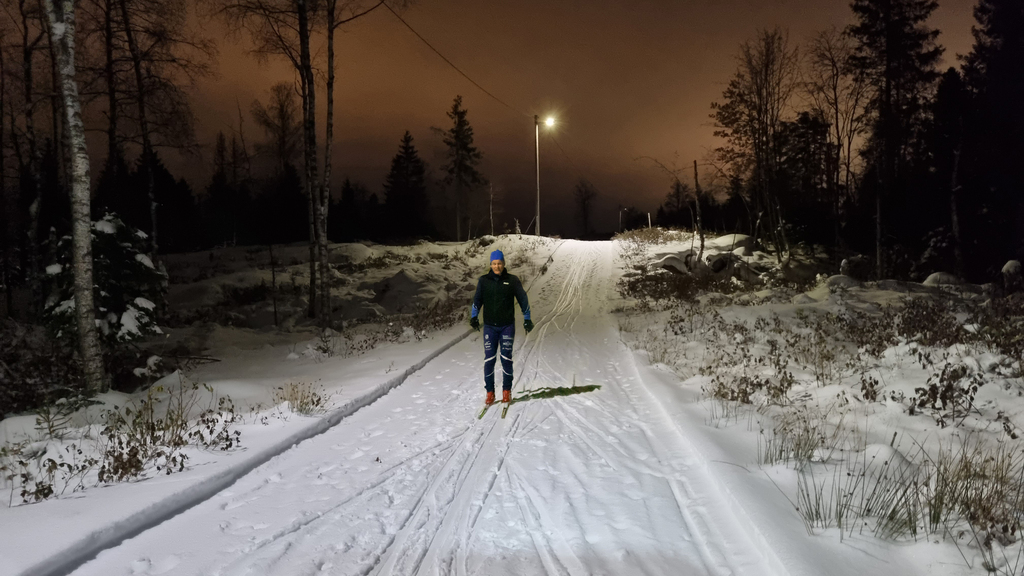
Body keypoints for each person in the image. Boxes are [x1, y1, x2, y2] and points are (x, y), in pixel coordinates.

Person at [470, 249, 533, 405]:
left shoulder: (512, 281)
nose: (496, 266)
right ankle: (490, 393)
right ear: (490, 264)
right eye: (494, 263)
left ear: (504, 264)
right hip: (490, 327)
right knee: (489, 360)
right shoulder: (483, 281)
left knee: (506, 358)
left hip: (507, 326)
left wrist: (527, 318)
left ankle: (506, 391)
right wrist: (473, 316)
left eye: (499, 263)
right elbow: (477, 300)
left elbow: (523, 299)